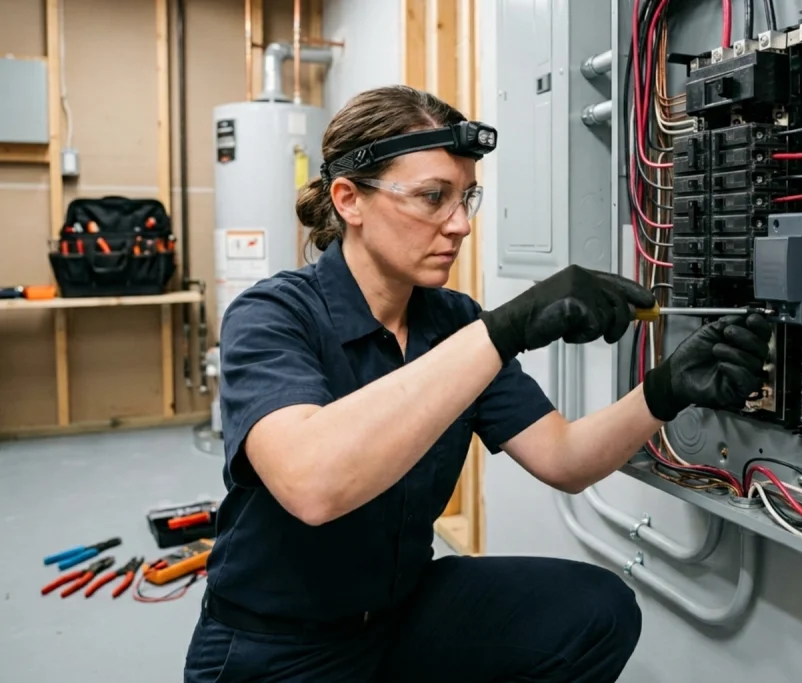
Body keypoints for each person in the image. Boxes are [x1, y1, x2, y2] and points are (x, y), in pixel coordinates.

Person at [183, 84, 771, 683]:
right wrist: (505, 329)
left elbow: (564, 458)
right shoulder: (273, 315)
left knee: (596, 610)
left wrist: (666, 389)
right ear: (349, 200)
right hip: (276, 645)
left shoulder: (452, 323)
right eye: (432, 197)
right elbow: (313, 486)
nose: (460, 224)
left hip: (398, 617)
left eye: (466, 198)